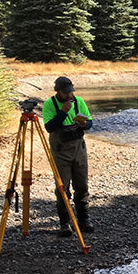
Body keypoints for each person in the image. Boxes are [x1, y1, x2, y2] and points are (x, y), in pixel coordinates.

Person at [42, 76, 95, 237]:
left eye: (71, 92)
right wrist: (63, 112)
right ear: (58, 92)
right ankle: (64, 224)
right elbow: (50, 127)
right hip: (60, 151)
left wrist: (85, 124)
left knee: (82, 185)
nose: (69, 96)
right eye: (66, 93)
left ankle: (83, 220)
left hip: (79, 149)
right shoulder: (49, 104)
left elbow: (91, 123)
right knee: (62, 188)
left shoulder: (79, 101)